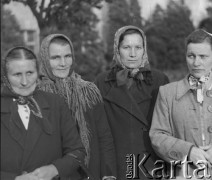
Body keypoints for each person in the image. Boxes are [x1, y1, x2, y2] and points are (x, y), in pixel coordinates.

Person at [38, 34, 117, 180]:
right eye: (55, 58)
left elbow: (104, 137)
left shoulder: (89, 91)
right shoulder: (36, 96)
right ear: (44, 59)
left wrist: (108, 174)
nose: (63, 63)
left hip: (89, 172)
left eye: (67, 56)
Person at [95, 25, 169, 179]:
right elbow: (100, 134)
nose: (133, 54)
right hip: (118, 165)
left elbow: (168, 130)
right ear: (117, 49)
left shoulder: (159, 80)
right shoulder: (101, 82)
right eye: (126, 47)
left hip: (151, 165)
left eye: (138, 47)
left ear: (144, 49)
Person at [1, 46, 86, 180]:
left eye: (30, 73)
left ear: (37, 72)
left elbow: (77, 152)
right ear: (5, 76)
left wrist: (55, 169)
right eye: (17, 74)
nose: (25, 82)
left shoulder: (56, 103)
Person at [150, 29, 212, 179]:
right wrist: (189, 151)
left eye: (203, 56)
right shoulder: (167, 93)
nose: (196, 63)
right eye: (191, 56)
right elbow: (157, 135)